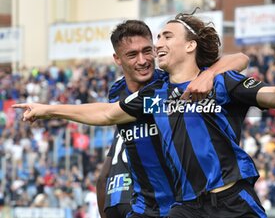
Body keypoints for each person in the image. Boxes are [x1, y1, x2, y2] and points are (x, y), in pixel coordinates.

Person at [13, 12, 275, 217]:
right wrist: (47, 109)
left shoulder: (220, 82)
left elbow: (273, 94)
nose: (157, 45)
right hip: (187, 208)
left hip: (232, 200)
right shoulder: (154, 96)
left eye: (165, 37)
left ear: (190, 46)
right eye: (158, 38)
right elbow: (107, 114)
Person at [52, 19, 249, 218]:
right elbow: (107, 122)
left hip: (184, 204)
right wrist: (48, 110)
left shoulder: (169, 84)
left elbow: (240, 58)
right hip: (144, 208)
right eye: (132, 55)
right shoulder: (118, 94)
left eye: (147, 51)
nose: (143, 60)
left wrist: (209, 75)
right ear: (117, 59)